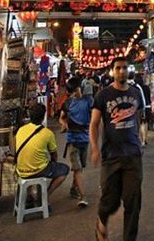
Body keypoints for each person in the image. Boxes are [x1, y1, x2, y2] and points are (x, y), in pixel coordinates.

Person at [90, 56, 144, 241]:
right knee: (110, 200)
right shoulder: (103, 95)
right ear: (113, 71)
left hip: (133, 155)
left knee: (133, 201)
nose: (122, 71)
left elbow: (137, 117)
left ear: (129, 70)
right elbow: (94, 123)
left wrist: (140, 139)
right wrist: (95, 148)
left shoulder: (136, 93)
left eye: (125, 68)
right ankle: (101, 219)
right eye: (118, 68)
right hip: (111, 156)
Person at [14, 102, 69, 205]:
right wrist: (53, 163)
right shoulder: (47, 133)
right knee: (64, 169)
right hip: (38, 170)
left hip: (20, 170)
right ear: (43, 117)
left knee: (35, 161)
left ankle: (28, 197)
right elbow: (54, 154)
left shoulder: (21, 130)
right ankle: (44, 196)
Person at [59, 77, 92, 208]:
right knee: (77, 168)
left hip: (85, 139)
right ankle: (83, 196)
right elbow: (61, 118)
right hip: (72, 140)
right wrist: (65, 124)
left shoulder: (88, 100)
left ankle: (74, 188)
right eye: (74, 90)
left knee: (80, 168)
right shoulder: (67, 103)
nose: (76, 92)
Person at [131, 73, 151, 145]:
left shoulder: (135, 88)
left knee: (141, 123)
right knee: (145, 123)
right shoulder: (146, 87)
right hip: (148, 106)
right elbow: (149, 97)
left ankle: (142, 140)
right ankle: (145, 139)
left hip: (141, 107)